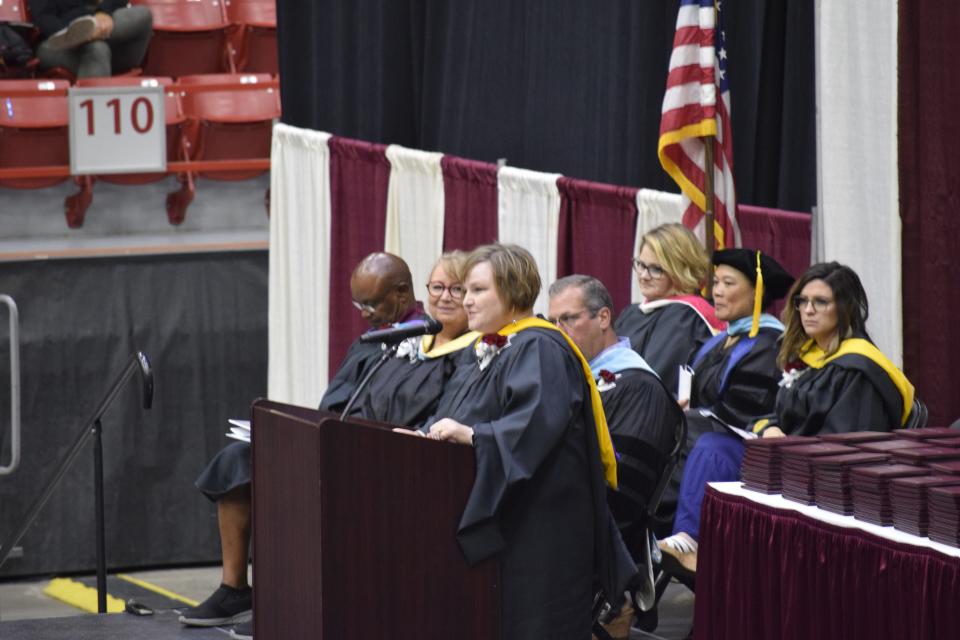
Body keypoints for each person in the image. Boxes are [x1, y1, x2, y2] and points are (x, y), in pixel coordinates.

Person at [180, 252, 425, 638]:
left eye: (372, 304)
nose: (364, 313)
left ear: (402, 292)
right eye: (358, 304)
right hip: (335, 437)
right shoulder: (372, 338)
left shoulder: (424, 341)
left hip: (374, 453)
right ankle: (234, 589)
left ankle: (289, 602)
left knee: (296, 486)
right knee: (239, 459)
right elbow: (335, 398)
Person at [421, 244, 635, 639]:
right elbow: (455, 414)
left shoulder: (539, 346)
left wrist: (473, 436)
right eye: (465, 290)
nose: (466, 301)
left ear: (514, 290)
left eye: (477, 290)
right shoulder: (487, 347)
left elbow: (535, 426)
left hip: (540, 528)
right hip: (511, 522)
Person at [548, 274, 682, 637]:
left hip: (598, 547)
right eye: (552, 322)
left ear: (603, 317)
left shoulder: (639, 389)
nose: (558, 331)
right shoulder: (575, 378)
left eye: (569, 319)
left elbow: (622, 495)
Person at [657, 248, 794, 579]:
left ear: (757, 292)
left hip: (738, 451)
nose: (716, 291)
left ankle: (658, 530)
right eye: (715, 281)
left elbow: (744, 412)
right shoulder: (719, 341)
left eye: (728, 283)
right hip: (700, 437)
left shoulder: (769, 344)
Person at [350, 251, 479, 428]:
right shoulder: (409, 342)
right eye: (437, 287)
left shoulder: (475, 356)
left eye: (457, 289)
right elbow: (367, 399)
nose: (444, 297)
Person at [614, 223, 725, 396]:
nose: (643, 276)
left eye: (656, 269)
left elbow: (654, 382)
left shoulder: (686, 317)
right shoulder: (633, 313)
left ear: (681, 270)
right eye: (641, 265)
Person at [30, 0, 153, 79]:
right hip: (56, 42)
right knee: (97, 48)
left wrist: (103, 13)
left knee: (143, 14)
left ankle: (89, 32)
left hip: (107, 31)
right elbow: (44, 18)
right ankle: (80, 34)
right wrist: (66, 32)